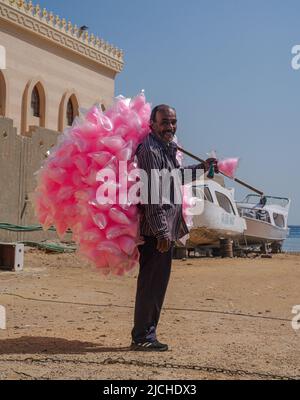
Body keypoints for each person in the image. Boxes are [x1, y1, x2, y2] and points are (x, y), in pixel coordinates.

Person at [130, 104, 217, 351]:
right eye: (165, 122)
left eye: (173, 122)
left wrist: (201, 168)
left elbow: (175, 177)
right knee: (151, 285)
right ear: (152, 124)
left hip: (164, 229)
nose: (170, 127)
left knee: (157, 285)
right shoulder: (149, 150)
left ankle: (147, 334)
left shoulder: (165, 148)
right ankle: (142, 337)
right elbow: (151, 194)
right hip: (156, 231)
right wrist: (161, 231)